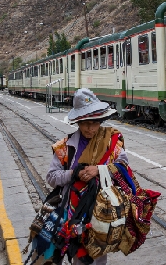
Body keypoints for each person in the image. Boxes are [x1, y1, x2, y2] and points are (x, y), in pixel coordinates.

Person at [46, 88, 126, 265]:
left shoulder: (111, 142)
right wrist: (73, 174)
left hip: (102, 212)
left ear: (101, 120)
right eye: (85, 123)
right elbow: (51, 177)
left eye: (95, 122)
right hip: (73, 213)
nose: (91, 128)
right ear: (78, 122)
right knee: (79, 256)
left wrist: (99, 170)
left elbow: (123, 168)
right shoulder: (64, 148)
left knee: (99, 256)